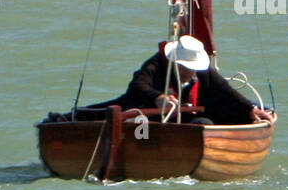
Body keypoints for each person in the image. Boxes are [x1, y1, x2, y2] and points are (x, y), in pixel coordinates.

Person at [96, 34, 274, 125]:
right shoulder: (156, 63)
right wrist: (158, 97)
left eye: (191, 68)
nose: (188, 72)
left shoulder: (203, 71)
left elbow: (224, 89)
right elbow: (137, 85)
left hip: (189, 118)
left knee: (211, 120)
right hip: (152, 116)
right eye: (183, 67)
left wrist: (249, 109)